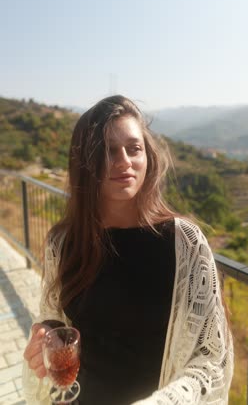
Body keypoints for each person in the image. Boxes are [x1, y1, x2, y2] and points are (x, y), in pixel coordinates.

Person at [23, 95, 233, 404]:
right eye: (107, 151)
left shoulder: (183, 243)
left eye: (134, 148)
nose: (124, 161)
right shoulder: (63, 242)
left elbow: (211, 360)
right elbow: (55, 319)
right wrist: (45, 338)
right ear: (84, 164)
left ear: (148, 155)